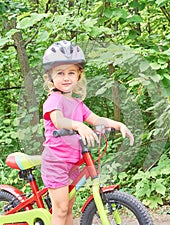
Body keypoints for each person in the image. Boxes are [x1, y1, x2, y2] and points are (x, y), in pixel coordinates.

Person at [41, 40, 134, 225]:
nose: (66, 77)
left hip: (74, 162)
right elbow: (58, 121)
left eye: (71, 72)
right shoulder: (53, 100)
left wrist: (117, 124)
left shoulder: (78, 104)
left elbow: (95, 119)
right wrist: (79, 126)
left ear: (78, 76)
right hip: (56, 162)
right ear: (50, 76)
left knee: (68, 210)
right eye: (60, 73)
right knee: (60, 211)